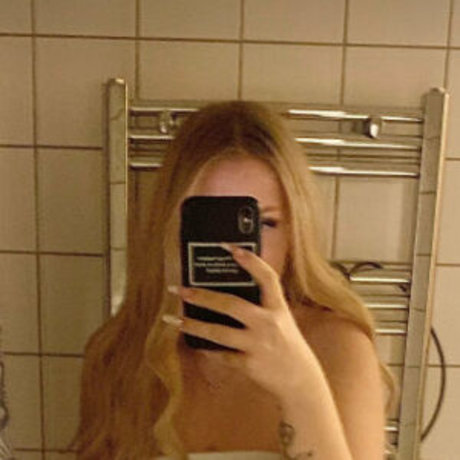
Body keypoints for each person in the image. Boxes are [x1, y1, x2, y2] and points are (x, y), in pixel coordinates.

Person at [71, 100, 398, 459]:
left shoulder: (337, 348)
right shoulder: (121, 353)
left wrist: (301, 387)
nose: (234, 252)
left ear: (295, 233)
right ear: (171, 227)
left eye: (264, 224)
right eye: (209, 225)